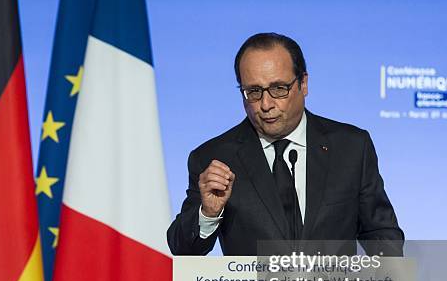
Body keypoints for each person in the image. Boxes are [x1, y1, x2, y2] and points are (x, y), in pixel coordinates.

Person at [167, 32, 404, 258]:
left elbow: (380, 234)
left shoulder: (351, 148)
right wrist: (208, 213)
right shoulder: (214, 158)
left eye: (279, 88)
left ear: (303, 84)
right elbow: (183, 249)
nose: (266, 104)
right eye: (253, 91)